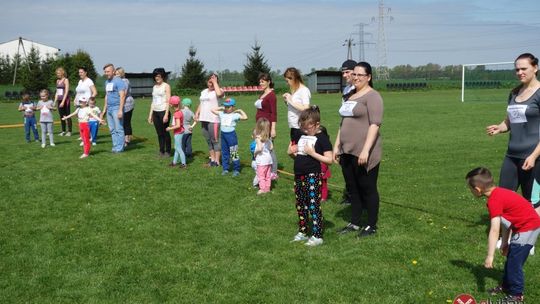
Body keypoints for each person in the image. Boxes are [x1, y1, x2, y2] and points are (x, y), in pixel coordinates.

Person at [466, 167, 540, 302]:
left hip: (528, 227)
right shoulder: (499, 193)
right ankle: (507, 286)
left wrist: (490, 256)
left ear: (477, 189)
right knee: (512, 259)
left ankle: (517, 295)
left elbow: (494, 229)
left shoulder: (494, 200)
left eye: (470, 189)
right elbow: (506, 222)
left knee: (514, 263)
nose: (471, 191)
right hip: (524, 226)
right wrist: (505, 242)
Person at [335, 62, 383, 238]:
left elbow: (375, 124)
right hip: (346, 151)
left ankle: (371, 225)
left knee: (367, 188)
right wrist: (336, 146)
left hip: (363, 152)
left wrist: (365, 150)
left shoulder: (373, 96)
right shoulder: (350, 96)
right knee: (352, 189)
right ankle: (355, 222)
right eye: (354, 74)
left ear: (368, 77)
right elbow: (343, 124)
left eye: (360, 75)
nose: (355, 77)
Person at [486, 53, 540, 203]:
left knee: (533, 202)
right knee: (503, 199)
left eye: (524, 68)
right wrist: (499, 128)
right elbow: (509, 121)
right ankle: (506, 227)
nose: (519, 73)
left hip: (533, 157)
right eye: (517, 69)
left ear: (535, 68)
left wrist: (534, 156)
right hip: (511, 156)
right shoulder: (514, 93)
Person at [288, 106, 333, 246]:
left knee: (313, 205)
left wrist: (313, 153)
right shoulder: (303, 136)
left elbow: (329, 160)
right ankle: (303, 231)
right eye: (303, 128)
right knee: (301, 205)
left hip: (312, 176)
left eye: (308, 128)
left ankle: (317, 235)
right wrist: (291, 153)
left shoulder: (322, 138)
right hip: (299, 176)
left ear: (317, 124)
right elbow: (299, 156)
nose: (305, 131)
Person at [211, 98, 248, 176]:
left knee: (233, 152)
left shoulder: (235, 115)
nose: (226, 108)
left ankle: (236, 169)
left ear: (233, 107)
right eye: (225, 106)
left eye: (228, 107)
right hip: (223, 135)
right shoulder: (222, 113)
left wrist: (240, 111)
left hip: (231, 135)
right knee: (224, 152)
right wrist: (221, 108)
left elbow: (245, 117)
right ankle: (225, 169)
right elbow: (212, 110)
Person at [196, 73, 224, 167]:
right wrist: (197, 112)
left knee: (215, 140)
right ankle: (212, 160)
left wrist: (215, 82)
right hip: (204, 119)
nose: (211, 83)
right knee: (208, 140)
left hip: (214, 119)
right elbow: (201, 103)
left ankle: (217, 161)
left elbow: (219, 94)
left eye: (213, 82)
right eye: (209, 81)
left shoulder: (219, 90)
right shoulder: (203, 91)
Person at [254, 73, 279, 179]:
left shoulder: (272, 95)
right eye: (260, 81)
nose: (261, 83)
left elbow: (274, 113)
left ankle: (273, 172)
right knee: (260, 146)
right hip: (259, 125)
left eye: (263, 81)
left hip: (266, 125)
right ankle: (261, 167)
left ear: (269, 82)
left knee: (269, 148)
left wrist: (273, 129)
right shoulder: (262, 94)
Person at [339, 59, 357, 205]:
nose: (344, 75)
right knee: (345, 165)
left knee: (356, 167)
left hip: (356, 133)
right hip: (345, 130)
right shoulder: (346, 89)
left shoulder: (359, 89)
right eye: (343, 72)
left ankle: (358, 198)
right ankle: (350, 195)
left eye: (347, 72)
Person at [100, 63, 126, 153]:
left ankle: (120, 147)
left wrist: (120, 110)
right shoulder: (107, 82)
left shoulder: (118, 81)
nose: (106, 73)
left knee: (119, 128)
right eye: (105, 72)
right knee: (112, 129)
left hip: (117, 107)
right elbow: (107, 96)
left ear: (114, 71)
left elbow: (122, 96)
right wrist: (104, 110)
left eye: (108, 71)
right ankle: (115, 146)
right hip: (109, 108)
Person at [147, 67, 171, 157]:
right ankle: (161, 150)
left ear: (162, 76)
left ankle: (168, 151)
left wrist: (166, 114)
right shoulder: (154, 87)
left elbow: (168, 101)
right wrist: (150, 115)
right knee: (159, 133)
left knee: (165, 132)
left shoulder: (166, 86)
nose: (157, 78)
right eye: (155, 76)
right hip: (155, 112)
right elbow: (153, 101)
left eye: (158, 76)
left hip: (164, 111)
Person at [283, 67, 310, 143]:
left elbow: (306, 108)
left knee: (297, 152)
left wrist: (290, 101)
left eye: (287, 81)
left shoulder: (304, 90)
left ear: (293, 78)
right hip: (294, 127)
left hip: (301, 128)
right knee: (294, 152)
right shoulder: (295, 90)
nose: (287, 83)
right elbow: (295, 106)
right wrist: (287, 101)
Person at [115, 67, 135, 146]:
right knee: (121, 122)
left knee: (126, 122)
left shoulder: (125, 81)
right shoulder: (117, 81)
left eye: (118, 74)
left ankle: (127, 139)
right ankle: (122, 138)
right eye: (115, 74)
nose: (116, 75)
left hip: (127, 104)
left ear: (122, 74)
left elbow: (124, 93)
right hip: (120, 104)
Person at [166, 96, 187, 169]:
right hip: (179, 132)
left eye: (169, 103)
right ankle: (174, 162)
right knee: (177, 148)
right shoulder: (179, 112)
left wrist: (170, 128)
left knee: (178, 148)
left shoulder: (177, 113)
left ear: (172, 104)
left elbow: (178, 125)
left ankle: (184, 164)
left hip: (178, 133)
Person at [254, 118, 274, 194]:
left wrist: (255, 153)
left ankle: (262, 189)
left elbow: (259, 148)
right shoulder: (267, 138)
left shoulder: (258, 138)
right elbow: (271, 147)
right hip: (268, 160)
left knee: (261, 175)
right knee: (267, 175)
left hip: (261, 161)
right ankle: (267, 188)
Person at [53, 67, 71, 136]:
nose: (57, 74)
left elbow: (66, 91)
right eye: (56, 73)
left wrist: (63, 101)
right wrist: (55, 101)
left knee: (67, 115)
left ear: (62, 73)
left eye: (58, 73)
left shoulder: (66, 80)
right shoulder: (57, 81)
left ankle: (69, 131)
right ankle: (63, 131)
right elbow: (57, 92)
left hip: (65, 100)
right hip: (59, 100)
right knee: (61, 116)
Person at [319, 126, 331, 202]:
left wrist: (323, 170)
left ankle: (323, 198)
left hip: (322, 166)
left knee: (323, 184)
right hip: (316, 166)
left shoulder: (325, 143)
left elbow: (326, 160)